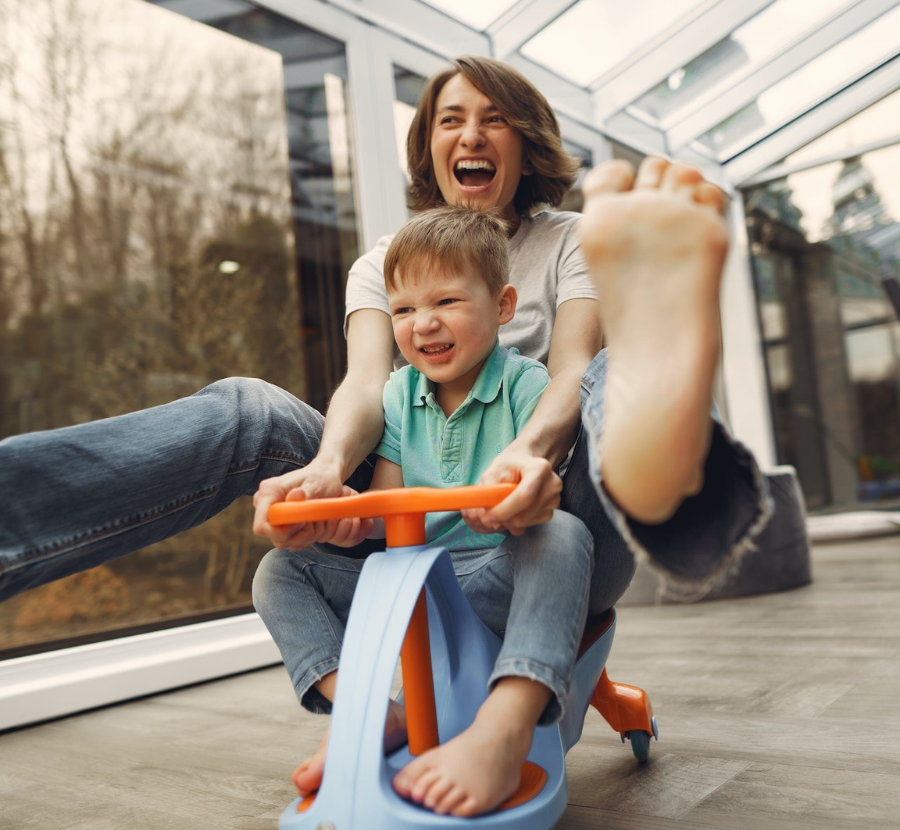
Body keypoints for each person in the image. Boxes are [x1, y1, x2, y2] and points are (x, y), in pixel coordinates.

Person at [0, 57, 769, 733]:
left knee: (614, 366)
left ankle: (665, 465)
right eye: (450, 120)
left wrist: (527, 456)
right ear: (427, 145)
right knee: (247, 407)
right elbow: (368, 384)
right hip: (420, 505)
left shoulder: (577, 237)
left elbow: (568, 368)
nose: (469, 135)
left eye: (493, 120)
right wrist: (331, 466)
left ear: (524, 143)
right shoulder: (383, 263)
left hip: (555, 507)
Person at [253, 206, 593, 817]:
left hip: (491, 575)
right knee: (279, 573)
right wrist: (351, 518)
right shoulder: (397, 395)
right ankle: (365, 714)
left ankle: (507, 723)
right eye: (404, 310)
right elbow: (385, 508)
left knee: (564, 536)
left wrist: (516, 511)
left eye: (446, 302)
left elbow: (540, 495)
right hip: (408, 580)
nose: (423, 324)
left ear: (504, 305)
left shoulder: (525, 386)